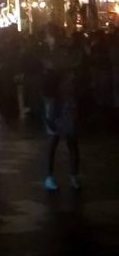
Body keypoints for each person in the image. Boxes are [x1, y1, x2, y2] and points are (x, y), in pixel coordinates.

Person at [41, 26, 82, 192]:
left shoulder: (54, 62)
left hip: (63, 103)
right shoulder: (57, 64)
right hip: (61, 103)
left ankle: (66, 176)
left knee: (62, 141)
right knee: (62, 141)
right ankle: (66, 176)